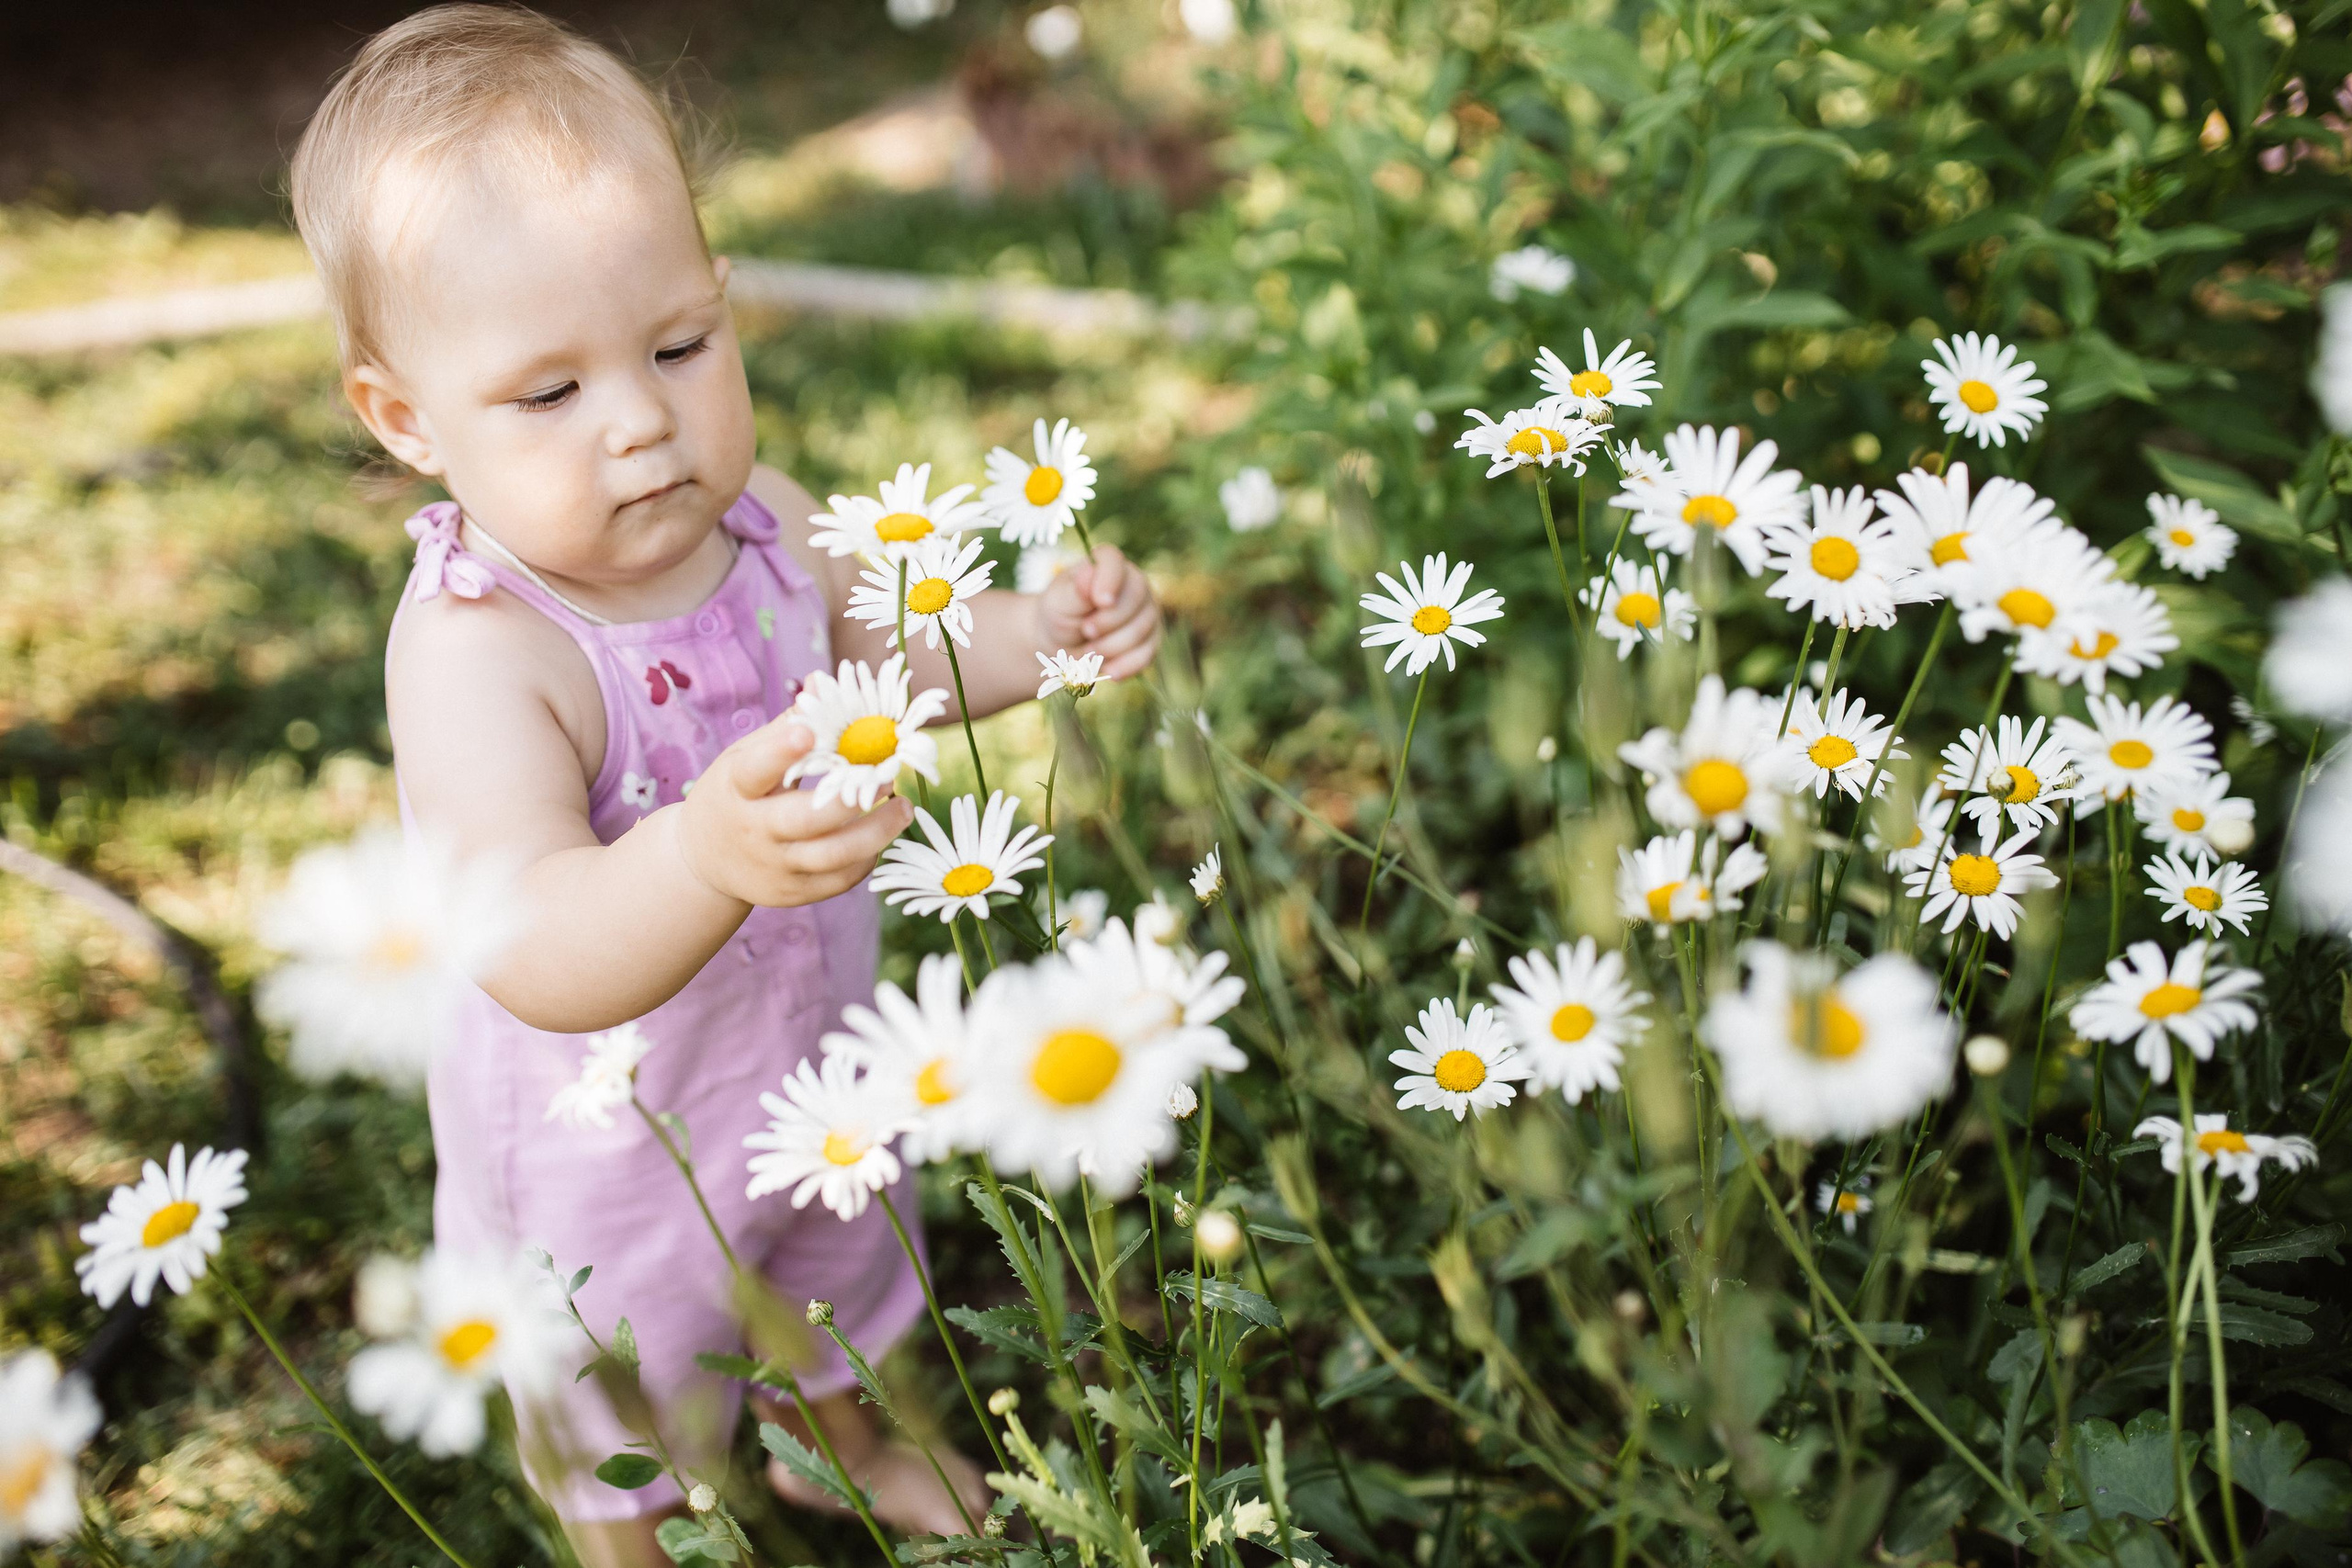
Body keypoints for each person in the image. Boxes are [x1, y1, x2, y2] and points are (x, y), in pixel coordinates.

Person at [288, 7, 1161, 1561]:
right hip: (604, 1146)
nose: (639, 421)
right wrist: (702, 851)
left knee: (838, 1268)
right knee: (627, 1389)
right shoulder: (487, 654)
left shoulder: (756, 514)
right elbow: (532, 940)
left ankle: (856, 1439)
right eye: (547, 395)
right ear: (407, 418)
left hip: (811, 1065)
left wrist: (1050, 635)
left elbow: (894, 644)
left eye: (679, 345)